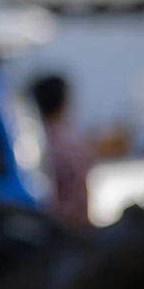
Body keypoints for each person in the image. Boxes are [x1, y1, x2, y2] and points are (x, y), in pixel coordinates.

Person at [29, 72, 91, 229]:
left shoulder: (29, 143)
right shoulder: (69, 145)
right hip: (70, 230)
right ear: (63, 103)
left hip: (43, 229)